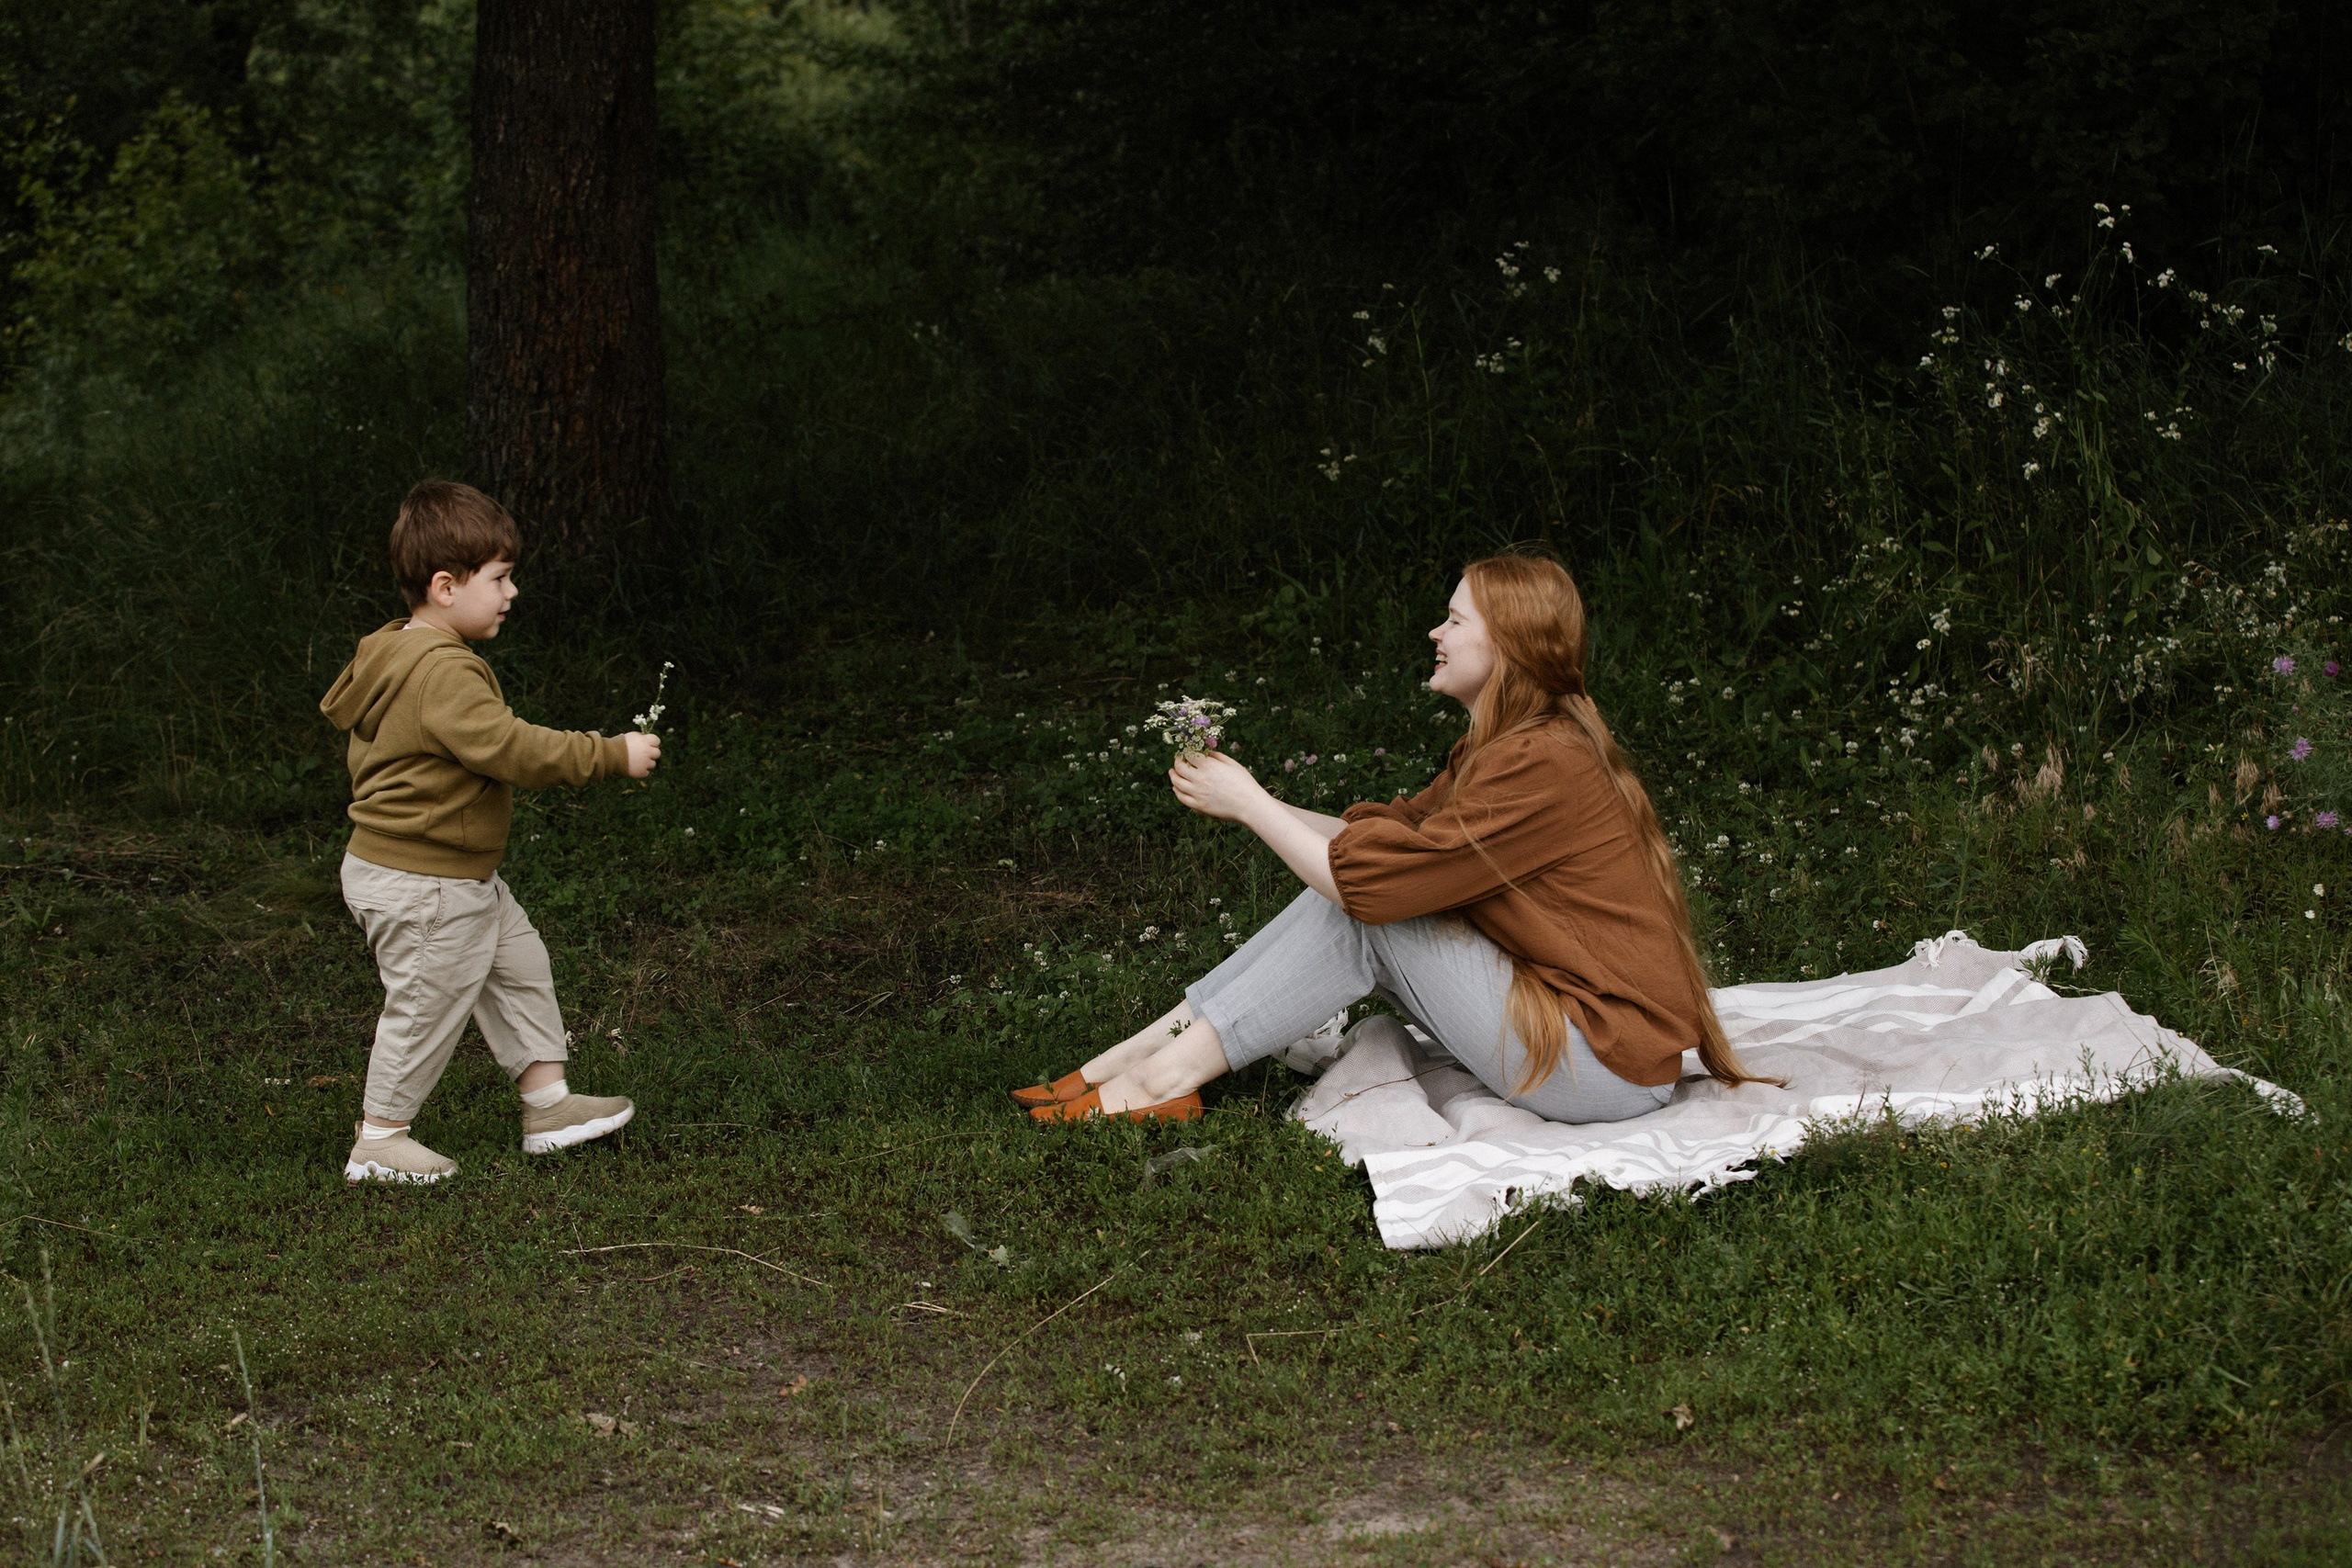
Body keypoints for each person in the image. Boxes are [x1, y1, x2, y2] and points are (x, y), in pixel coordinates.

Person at [1014, 552, 1761, 1123]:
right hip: (1574, 1038)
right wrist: (1257, 798)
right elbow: (1388, 844)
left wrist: (1249, 804)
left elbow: (1372, 885)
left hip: (1608, 1070)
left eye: (1456, 621)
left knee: (1367, 913)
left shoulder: (1546, 762)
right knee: (1354, 890)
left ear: (1509, 645)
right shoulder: (1505, 746)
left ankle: (1157, 1080)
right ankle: (1148, 1052)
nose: (1436, 633)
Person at [321, 480, 661, 1183]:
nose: (512, 592)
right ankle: (380, 1137)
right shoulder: (442, 672)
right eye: (499, 578)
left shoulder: (396, 649)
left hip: (449, 874)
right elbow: (512, 749)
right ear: (445, 586)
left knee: (517, 969)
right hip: (425, 882)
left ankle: (549, 1105)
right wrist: (609, 753)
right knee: (425, 1004)